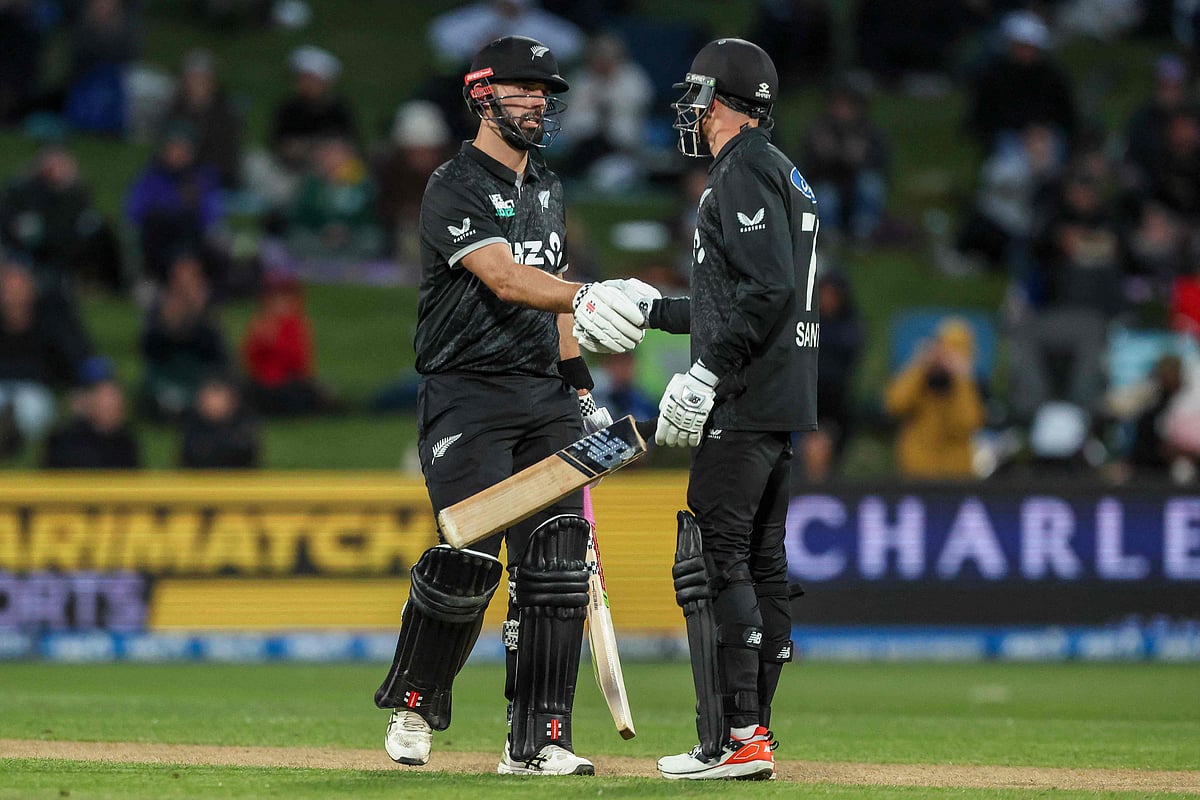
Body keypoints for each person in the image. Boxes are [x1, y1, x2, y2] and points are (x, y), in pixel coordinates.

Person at [372, 35, 646, 777]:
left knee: (556, 562)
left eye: (545, 92)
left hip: (544, 394)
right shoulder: (452, 184)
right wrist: (591, 294)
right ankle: (416, 702)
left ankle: (537, 740)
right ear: (483, 94)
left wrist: (581, 383)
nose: (538, 103)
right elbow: (506, 279)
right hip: (467, 391)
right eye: (523, 89)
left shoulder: (550, 187)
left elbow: (553, 293)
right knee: (469, 555)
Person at [620, 38, 817, 781]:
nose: (692, 111)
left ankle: (738, 738)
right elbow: (743, 293)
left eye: (700, 95)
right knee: (762, 567)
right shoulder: (784, 172)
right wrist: (654, 308)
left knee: (718, 558)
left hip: (744, 398)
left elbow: (764, 290)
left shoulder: (740, 170)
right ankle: (753, 732)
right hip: (778, 397)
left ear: (727, 101)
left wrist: (706, 370)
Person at [884, 317, 985, 480]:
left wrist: (961, 380)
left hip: (956, 477)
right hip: (915, 472)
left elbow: (969, 423)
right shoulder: (921, 380)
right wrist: (920, 367)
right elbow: (894, 405)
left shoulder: (969, 386)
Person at [43, 369, 140, 470]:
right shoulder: (66, 439)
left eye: (115, 404)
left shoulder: (126, 443)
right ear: (91, 403)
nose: (111, 408)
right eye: (105, 403)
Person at [179, 373, 260, 469]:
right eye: (209, 399)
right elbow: (187, 459)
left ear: (232, 401)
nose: (214, 404)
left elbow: (246, 456)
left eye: (219, 399)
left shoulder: (244, 424)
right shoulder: (191, 424)